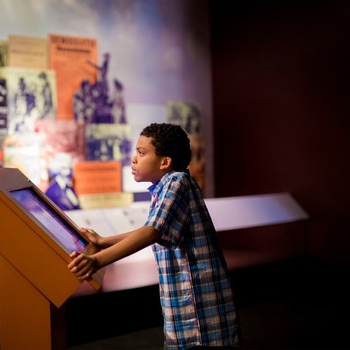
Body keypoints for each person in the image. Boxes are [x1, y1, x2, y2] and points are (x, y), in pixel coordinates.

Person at [68, 123, 241, 349]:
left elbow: (151, 233)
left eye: (141, 152)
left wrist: (96, 260)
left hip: (200, 313)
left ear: (164, 162)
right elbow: (150, 230)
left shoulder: (176, 181)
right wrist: (102, 241)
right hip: (187, 309)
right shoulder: (168, 186)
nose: (134, 159)